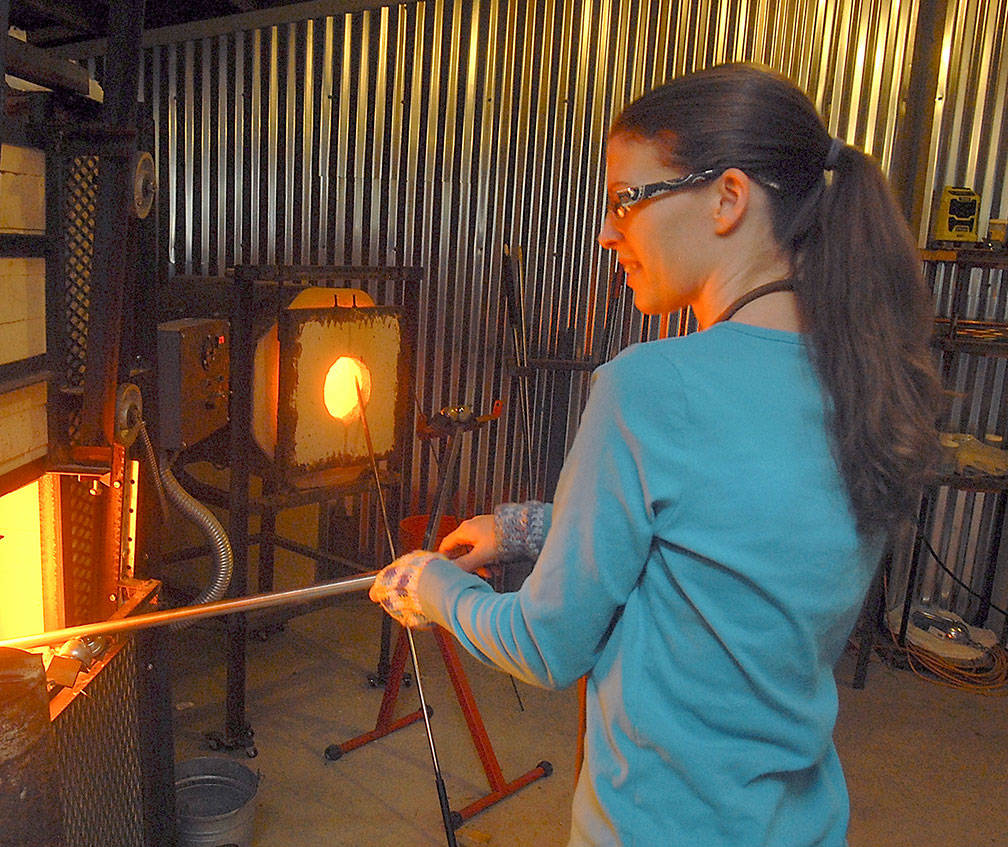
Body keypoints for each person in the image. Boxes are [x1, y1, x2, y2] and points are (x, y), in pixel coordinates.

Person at [369, 63, 943, 846]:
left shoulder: (652, 385)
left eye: (626, 199)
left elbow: (545, 646)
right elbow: (733, 534)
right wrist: (526, 529)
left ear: (728, 198)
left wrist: (432, 586)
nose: (608, 232)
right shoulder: (864, 378)